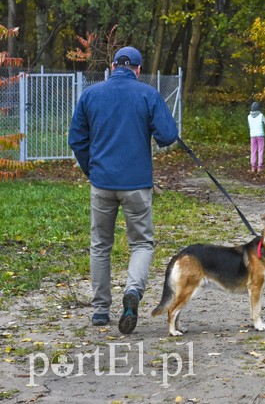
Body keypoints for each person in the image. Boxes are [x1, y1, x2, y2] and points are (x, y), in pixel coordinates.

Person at [68, 46, 178, 334]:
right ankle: (132, 291)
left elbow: (76, 139)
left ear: (113, 66)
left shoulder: (91, 94)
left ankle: (100, 310)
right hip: (136, 185)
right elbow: (168, 135)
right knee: (141, 244)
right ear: (138, 69)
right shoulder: (148, 95)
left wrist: (92, 170)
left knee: (100, 245)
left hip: (102, 183)